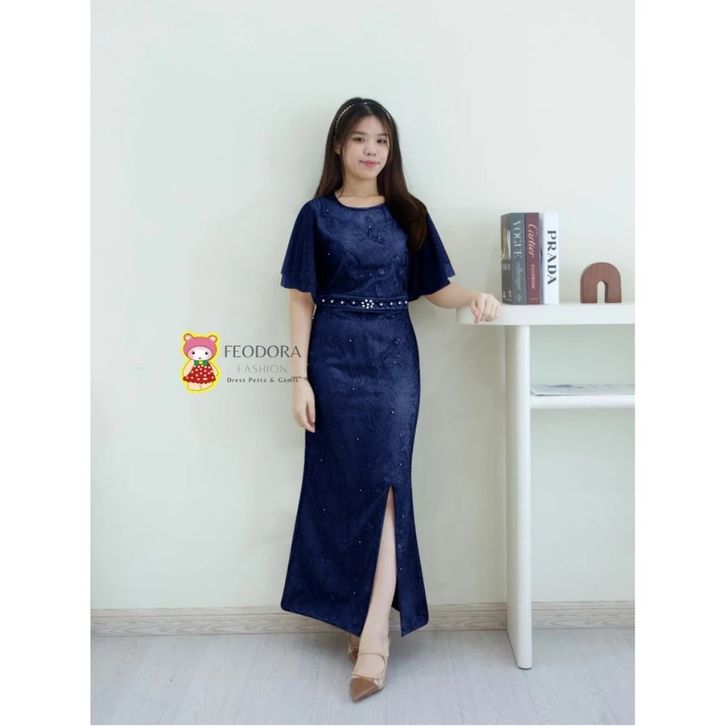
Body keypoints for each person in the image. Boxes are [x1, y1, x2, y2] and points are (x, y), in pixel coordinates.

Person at [279, 97, 501, 702]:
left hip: (394, 362)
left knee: (387, 487)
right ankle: (361, 615)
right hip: (332, 360)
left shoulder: (409, 213)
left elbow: (437, 289)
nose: (371, 150)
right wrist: (299, 379)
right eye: (359, 138)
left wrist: (474, 296)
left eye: (381, 140)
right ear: (338, 146)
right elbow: (300, 299)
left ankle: (374, 633)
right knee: (340, 490)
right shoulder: (316, 215)